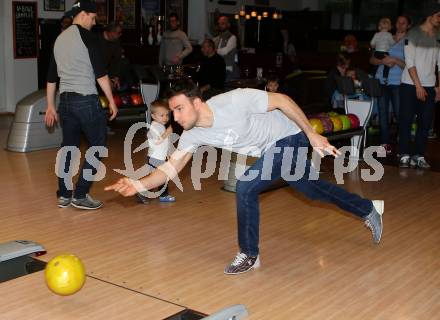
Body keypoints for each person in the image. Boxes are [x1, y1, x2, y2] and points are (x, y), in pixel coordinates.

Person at [105, 79, 384, 275]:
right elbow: (170, 168)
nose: (175, 117)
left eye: (180, 109)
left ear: (197, 103)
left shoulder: (233, 101)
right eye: (173, 111)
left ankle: (249, 254)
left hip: (290, 136)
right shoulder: (192, 133)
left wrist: (311, 133)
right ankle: (368, 209)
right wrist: (138, 183)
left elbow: (282, 100)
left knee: (246, 186)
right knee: (312, 191)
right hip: (271, 150)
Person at [45, 0, 118, 210]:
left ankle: (64, 194)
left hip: (65, 101)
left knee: (68, 148)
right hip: (86, 100)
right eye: (94, 18)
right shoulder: (88, 37)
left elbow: (51, 77)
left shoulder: (59, 39)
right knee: (98, 146)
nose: (94, 23)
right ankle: (81, 194)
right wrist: (112, 101)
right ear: (84, 14)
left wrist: (50, 105)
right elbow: (100, 73)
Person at [398, 5, 440, 169]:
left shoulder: (438, 35)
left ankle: (419, 155)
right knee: (406, 121)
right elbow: (410, 62)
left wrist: (438, 86)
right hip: (410, 85)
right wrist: (418, 86)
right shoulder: (413, 34)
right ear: (430, 15)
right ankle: (404, 154)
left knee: (425, 123)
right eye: (438, 16)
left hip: (429, 86)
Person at [370, 15, 411, 154]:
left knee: (400, 113)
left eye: (403, 23)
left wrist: (395, 60)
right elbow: (372, 59)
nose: (400, 25)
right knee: (382, 113)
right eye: (398, 22)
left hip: (398, 82)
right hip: (381, 81)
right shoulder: (385, 36)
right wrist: (383, 61)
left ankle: (403, 143)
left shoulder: (409, 41)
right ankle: (384, 144)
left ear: (408, 26)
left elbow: (410, 65)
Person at [136, 100, 175, 204]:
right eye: (162, 115)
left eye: (167, 115)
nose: (165, 118)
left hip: (157, 158)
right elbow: (157, 141)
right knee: (161, 178)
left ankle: (142, 192)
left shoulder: (159, 126)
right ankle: (161, 195)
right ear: (153, 116)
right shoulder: (154, 127)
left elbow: (163, 144)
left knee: (158, 178)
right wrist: (168, 132)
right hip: (155, 159)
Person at [213, 16, 240, 81]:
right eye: (219, 23)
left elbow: (225, 51)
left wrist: (214, 50)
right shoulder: (216, 38)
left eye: (223, 23)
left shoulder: (232, 37)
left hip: (229, 70)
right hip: (218, 69)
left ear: (228, 25)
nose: (220, 25)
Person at [98, 21, 123, 90]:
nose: (120, 35)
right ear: (111, 32)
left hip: (107, 71)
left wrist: (116, 76)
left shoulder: (116, 41)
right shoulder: (96, 40)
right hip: (95, 73)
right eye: (119, 33)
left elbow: (117, 60)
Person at [370, 18, 395, 84]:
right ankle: (385, 77)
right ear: (389, 27)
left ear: (379, 27)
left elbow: (372, 43)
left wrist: (374, 46)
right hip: (385, 53)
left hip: (377, 52)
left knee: (376, 65)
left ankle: (372, 75)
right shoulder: (389, 34)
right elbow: (392, 43)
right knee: (386, 65)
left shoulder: (376, 34)